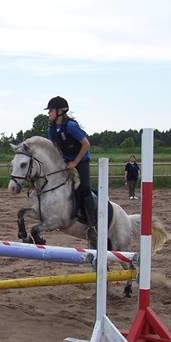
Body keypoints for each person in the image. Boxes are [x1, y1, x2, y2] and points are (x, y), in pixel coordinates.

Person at [45, 96, 96, 240]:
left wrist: (75, 162)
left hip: (81, 159)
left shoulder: (71, 126)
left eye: (51, 110)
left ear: (61, 111)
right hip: (65, 161)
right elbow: (54, 149)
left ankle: (93, 225)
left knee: (84, 188)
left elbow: (86, 144)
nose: (49, 113)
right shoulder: (52, 129)